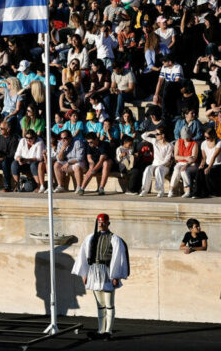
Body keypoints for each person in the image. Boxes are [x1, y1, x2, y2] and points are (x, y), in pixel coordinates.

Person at [72, 213, 130, 341]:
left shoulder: (114, 239)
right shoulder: (91, 238)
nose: (101, 224)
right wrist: (84, 273)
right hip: (94, 271)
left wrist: (116, 275)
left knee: (109, 304)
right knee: (100, 304)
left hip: (107, 272)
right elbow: (84, 255)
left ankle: (108, 331)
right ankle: (100, 329)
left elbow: (118, 258)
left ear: (108, 223)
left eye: (103, 222)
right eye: (99, 222)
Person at [140, 128, 173, 197]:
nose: (156, 135)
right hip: (154, 164)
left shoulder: (169, 146)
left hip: (165, 166)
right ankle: (145, 190)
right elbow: (143, 136)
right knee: (148, 169)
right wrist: (152, 132)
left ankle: (161, 190)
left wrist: (158, 166)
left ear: (163, 135)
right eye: (155, 134)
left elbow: (167, 159)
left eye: (157, 134)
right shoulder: (154, 141)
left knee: (159, 169)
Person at [168, 126, 199, 198]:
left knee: (183, 170)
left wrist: (187, 164)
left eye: (187, 137)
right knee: (176, 170)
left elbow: (193, 158)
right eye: (184, 137)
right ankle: (171, 190)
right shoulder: (178, 142)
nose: (186, 139)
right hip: (180, 162)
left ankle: (187, 190)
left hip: (191, 164)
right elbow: (176, 156)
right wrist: (186, 158)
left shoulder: (194, 143)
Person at [0, 121, 20, 192]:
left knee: (5, 163)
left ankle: (7, 185)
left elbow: (12, 154)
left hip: (8, 159)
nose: (0, 130)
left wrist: (2, 159)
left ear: (8, 129)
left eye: (2, 129)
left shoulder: (14, 139)